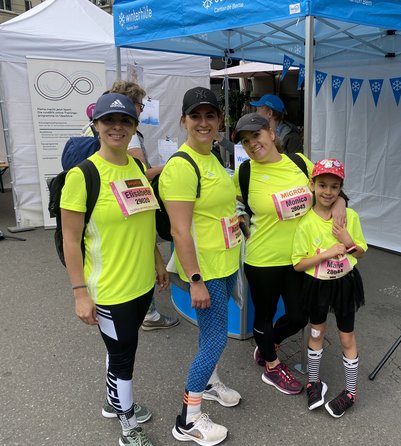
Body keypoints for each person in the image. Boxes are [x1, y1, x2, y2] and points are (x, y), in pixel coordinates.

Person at [60, 93, 169, 446]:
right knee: (124, 359)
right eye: (109, 120)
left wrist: (157, 260)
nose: (117, 127)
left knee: (120, 348)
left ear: (134, 127)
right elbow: (71, 240)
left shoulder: (136, 167)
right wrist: (80, 293)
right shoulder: (83, 176)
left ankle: (114, 402)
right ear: (96, 125)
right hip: (109, 290)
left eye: (125, 121)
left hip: (141, 284)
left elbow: (143, 219)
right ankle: (128, 428)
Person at [232, 113, 346, 396]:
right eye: (245, 141)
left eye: (256, 135)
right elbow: (235, 206)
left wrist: (341, 203)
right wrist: (242, 226)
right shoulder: (244, 173)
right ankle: (271, 366)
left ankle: (268, 343)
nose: (252, 144)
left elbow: (328, 188)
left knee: (298, 316)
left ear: (271, 133)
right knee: (265, 315)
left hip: (299, 259)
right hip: (263, 259)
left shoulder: (299, 163)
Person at [159, 86, 241, 445]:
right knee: (215, 340)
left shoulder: (213, 157)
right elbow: (179, 231)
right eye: (196, 116)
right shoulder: (182, 166)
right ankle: (188, 419)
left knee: (211, 336)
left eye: (210, 115)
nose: (204, 122)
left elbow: (219, 210)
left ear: (220, 120)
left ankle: (209, 383)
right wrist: (195, 280)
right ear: (184, 121)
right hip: (205, 270)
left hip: (226, 262)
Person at [292, 158, 367, 418]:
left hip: (345, 283)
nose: (328, 191)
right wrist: (325, 254)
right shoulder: (305, 222)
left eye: (334, 187)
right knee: (316, 333)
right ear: (312, 185)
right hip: (317, 285)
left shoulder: (349, 217)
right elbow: (298, 264)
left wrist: (348, 241)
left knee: (347, 337)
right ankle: (313, 382)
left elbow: (361, 252)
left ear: (341, 189)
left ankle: (351, 392)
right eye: (322, 185)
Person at [108, 80, 179, 331]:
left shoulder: (99, 127)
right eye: (140, 104)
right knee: (139, 251)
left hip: (111, 204)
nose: (141, 109)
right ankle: (148, 313)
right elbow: (141, 173)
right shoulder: (127, 135)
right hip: (127, 202)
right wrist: (168, 166)